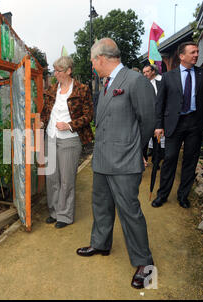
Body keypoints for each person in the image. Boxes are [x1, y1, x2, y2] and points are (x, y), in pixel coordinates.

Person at [76, 38, 155, 289]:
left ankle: (145, 264)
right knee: (100, 205)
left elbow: (147, 121)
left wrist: (135, 150)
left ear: (101, 58)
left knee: (130, 213)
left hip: (124, 161)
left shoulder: (135, 81)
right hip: (101, 159)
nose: (91, 66)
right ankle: (100, 243)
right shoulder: (106, 84)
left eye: (92, 61)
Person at [151, 42, 203, 209]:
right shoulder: (168, 77)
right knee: (170, 159)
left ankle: (183, 196)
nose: (196, 55)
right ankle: (162, 195)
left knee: (190, 161)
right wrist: (159, 125)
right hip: (175, 123)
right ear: (181, 56)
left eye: (197, 52)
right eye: (192, 52)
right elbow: (160, 103)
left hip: (196, 124)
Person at [40, 56, 93, 229]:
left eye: (59, 71)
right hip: (51, 137)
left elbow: (88, 116)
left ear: (69, 70)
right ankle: (54, 211)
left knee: (66, 179)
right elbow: (45, 112)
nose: (56, 74)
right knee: (52, 177)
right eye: (54, 71)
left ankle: (65, 215)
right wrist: (40, 123)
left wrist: (70, 125)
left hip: (70, 140)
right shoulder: (52, 89)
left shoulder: (82, 89)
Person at [142, 64, 165, 160]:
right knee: (144, 141)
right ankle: (143, 159)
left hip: (157, 118)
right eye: (144, 72)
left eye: (147, 71)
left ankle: (156, 161)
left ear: (153, 71)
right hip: (146, 118)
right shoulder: (143, 84)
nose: (145, 74)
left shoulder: (161, 82)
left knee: (157, 140)